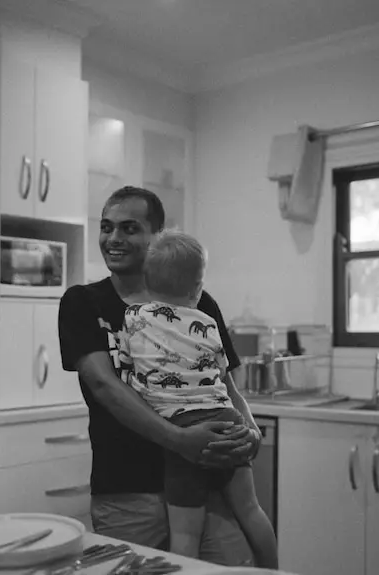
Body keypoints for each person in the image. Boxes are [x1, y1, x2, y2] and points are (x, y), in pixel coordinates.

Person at [58, 186, 260, 564]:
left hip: (207, 482)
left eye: (129, 228)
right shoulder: (83, 302)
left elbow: (225, 384)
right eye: (106, 227)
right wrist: (179, 439)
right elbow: (104, 385)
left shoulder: (197, 301)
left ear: (156, 238)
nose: (113, 238)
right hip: (129, 492)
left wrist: (251, 429)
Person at [117, 229, 278, 567]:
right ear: (197, 288)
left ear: (147, 284)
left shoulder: (134, 317)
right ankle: (273, 570)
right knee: (251, 510)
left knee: (186, 535)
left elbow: (125, 364)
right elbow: (221, 373)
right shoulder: (207, 321)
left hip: (184, 433)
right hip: (226, 421)